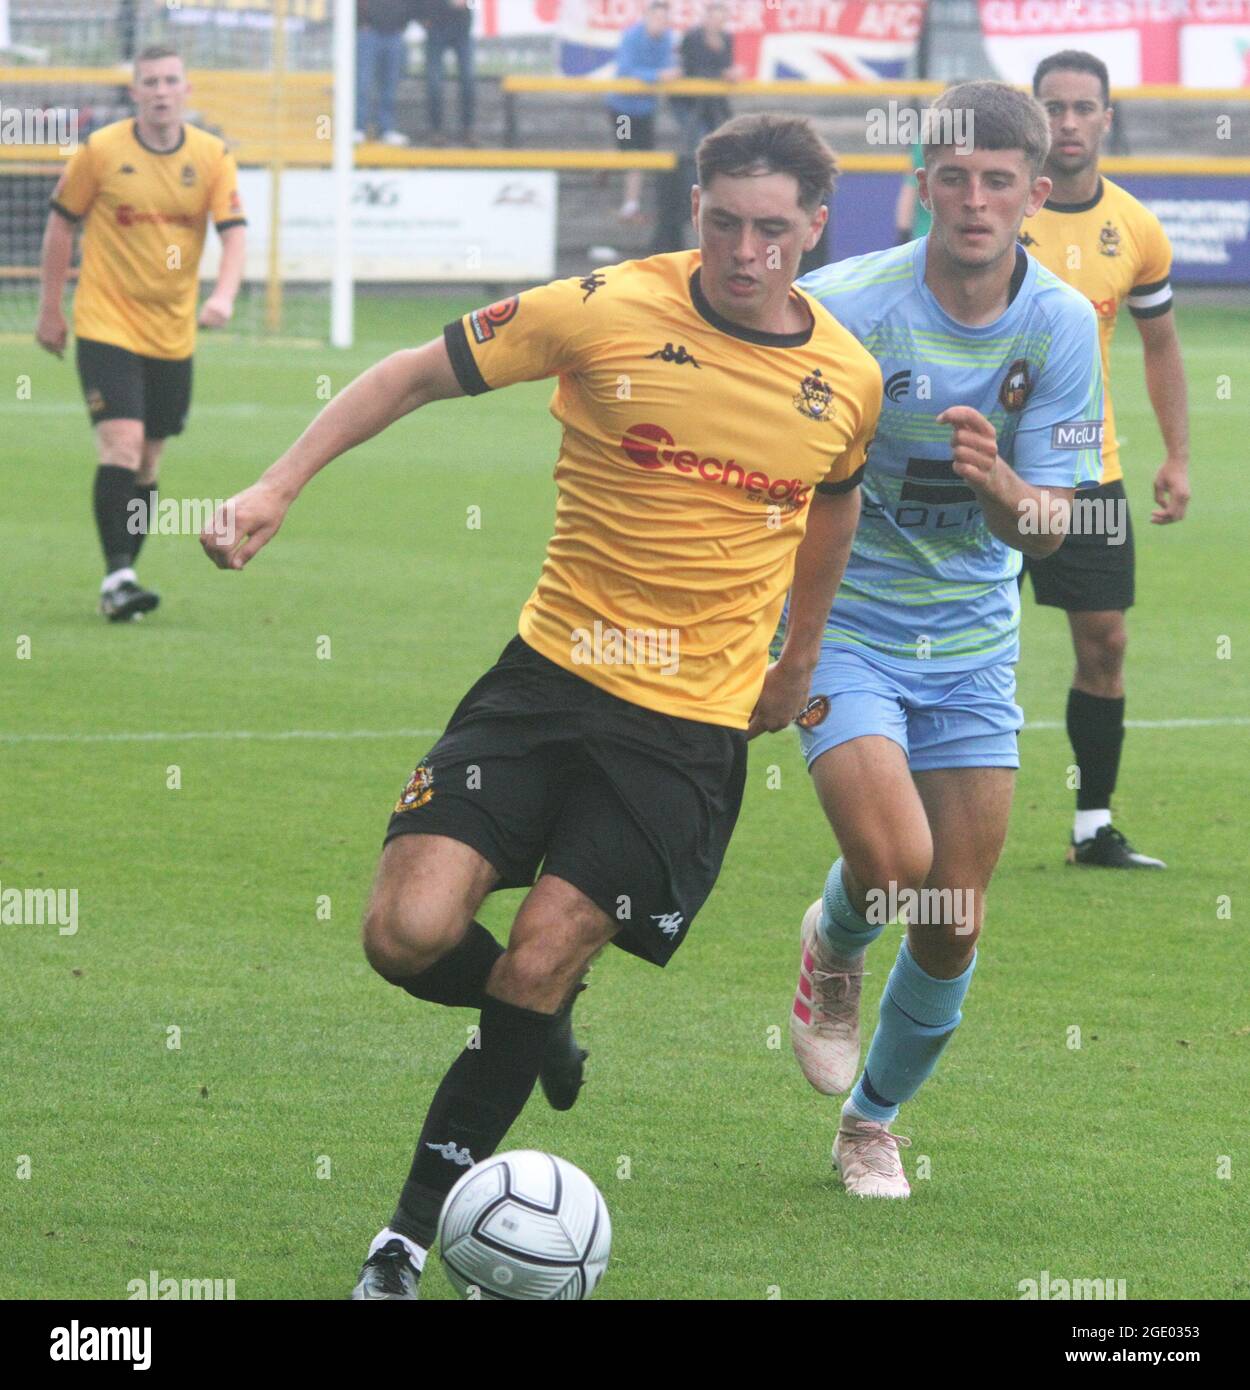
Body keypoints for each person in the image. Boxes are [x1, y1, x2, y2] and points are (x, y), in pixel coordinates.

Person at [199, 113, 883, 1297]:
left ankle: (406, 1237)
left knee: (544, 946)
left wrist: (798, 657)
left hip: (685, 731)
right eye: (722, 221)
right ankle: (542, 1024)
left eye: (773, 229)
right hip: (544, 682)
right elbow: (416, 370)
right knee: (402, 932)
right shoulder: (602, 307)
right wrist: (277, 483)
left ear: (813, 228)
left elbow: (833, 505)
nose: (744, 250)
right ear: (695, 212)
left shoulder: (844, 381)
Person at [784, 82, 1104, 1196]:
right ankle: (832, 945)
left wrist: (1004, 484)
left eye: (997, 182)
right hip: (845, 628)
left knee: (952, 917)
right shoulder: (842, 305)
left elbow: (1054, 527)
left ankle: (870, 1124)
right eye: (952, 177)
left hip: (970, 639)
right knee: (892, 865)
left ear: (1036, 191)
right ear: (919, 184)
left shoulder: (1059, 322)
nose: (973, 201)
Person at [1019, 49, 1190, 869]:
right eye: (1053, 107)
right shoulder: (996, 208)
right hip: (980, 464)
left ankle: (1092, 825)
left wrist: (1178, 455)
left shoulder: (1137, 228)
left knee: (1106, 643)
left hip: (1087, 466)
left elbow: (1160, 345)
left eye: (1084, 108)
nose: (1069, 123)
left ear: (1107, 118)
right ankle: (921, 823)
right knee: (948, 640)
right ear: (1034, 115)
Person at [36, 44, 246, 622]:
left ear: (186, 90)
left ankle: (121, 577)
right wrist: (50, 308)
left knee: (149, 462)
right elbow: (61, 224)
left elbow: (233, 233)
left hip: (172, 332)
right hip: (105, 320)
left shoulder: (210, 156)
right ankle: (120, 574)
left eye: (170, 80)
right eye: (149, 81)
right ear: (134, 92)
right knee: (122, 444)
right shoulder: (101, 151)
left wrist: (223, 295)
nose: (160, 90)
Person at [607, 0, 679, 220]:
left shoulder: (667, 39)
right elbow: (626, 71)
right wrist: (656, 76)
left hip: (645, 108)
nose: (661, 23)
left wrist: (661, 75)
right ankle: (629, 203)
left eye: (664, 19)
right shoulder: (631, 37)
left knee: (639, 154)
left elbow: (670, 68)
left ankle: (629, 203)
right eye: (657, 18)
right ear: (646, 17)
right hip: (622, 108)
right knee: (629, 152)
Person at [356, 0, 419, 147]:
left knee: (390, 86)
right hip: (368, 32)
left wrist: (403, 24)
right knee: (363, 83)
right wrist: (361, 22)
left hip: (394, 33)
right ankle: (358, 128)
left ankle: (386, 129)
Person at [417, 0, 476, 148]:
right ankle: (436, 130)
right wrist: (421, 17)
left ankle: (468, 129)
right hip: (436, 26)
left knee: (468, 80)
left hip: (461, 27)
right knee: (434, 83)